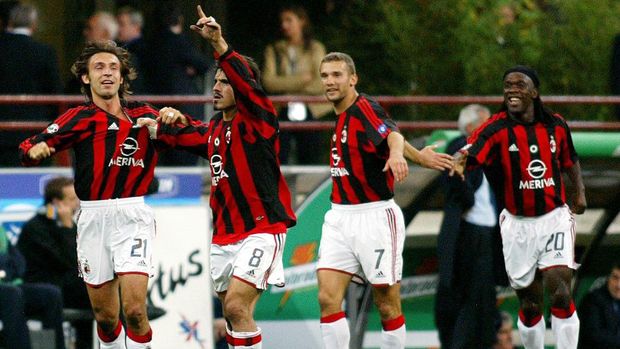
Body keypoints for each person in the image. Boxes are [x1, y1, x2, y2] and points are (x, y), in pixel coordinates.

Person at [139, 6, 296, 348]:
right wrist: (161, 119)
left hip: (261, 229)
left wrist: (220, 44)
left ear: (242, 86)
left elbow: (247, 86)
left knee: (238, 305)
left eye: (225, 81)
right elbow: (178, 134)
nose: (216, 86)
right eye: (216, 81)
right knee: (233, 313)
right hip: (224, 234)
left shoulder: (260, 122)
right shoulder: (212, 129)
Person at [18, 40, 163, 349]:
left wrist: (172, 125)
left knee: (136, 311)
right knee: (106, 316)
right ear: (86, 78)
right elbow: (29, 146)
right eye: (99, 67)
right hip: (93, 218)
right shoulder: (78, 118)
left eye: (114, 68)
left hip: (133, 215)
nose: (107, 73)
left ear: (123, 77)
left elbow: (190, 134)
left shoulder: (146, 115)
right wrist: (36, 150)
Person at [315, 51, 452, 349]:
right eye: (325, 75)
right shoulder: (341, 116)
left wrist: (397, 154)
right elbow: (388, 138)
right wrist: (419, 157)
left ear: (353, 79)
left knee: (386, 302)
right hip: (339, 216)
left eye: (337, 75)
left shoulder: (364, 108)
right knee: (327, 297)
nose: (330, 81)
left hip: (375, 216)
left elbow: (390, 134)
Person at [451, 65, 587, 349]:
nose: (512, 89)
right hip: (517, 224)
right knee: (530, 304)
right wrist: (459, 160)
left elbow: (570, 160)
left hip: (555, 218)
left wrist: (580, 194)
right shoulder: (495, 128)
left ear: (534, 92)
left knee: (560, 291)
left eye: (519, 84)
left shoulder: (556, 125)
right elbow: (470, 150)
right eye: (507, 85)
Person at [435, 104, 499, 349]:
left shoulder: (488, 151)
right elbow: (453, 179)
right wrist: (467, 192)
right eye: (486, 123)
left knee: (484, 303)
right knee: (468, 302)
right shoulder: (460, 146)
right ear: (472, 127)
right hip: (468, 232)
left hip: (486, 232)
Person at [17, 176, 93, 348]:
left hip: (65, 285)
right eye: (72, 199)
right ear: (57, 203)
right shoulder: (36, 228)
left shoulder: (69, 225)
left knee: (96, 286)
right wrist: (67, 228)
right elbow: (71, 261)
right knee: (88, 287)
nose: (77, 204)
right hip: (42, 286)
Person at [262, 5, 331, 164]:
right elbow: (268, 82)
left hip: (311, 108)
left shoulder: (315, 48)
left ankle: (310, 188)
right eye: (282, 21)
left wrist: (286, 85)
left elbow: (322, 83)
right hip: (282, 108)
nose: (284, 25)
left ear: (302, 22)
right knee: (279, 155)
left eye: (289, 20)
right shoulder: (274, 49)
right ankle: (279, 188)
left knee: (311, 155)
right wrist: (302, 80)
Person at [145, 2, 211, 166]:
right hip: (183, 109)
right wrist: (189, 69)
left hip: (156, 108)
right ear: (179, 20)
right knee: (185, 159)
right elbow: (204, 64)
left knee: (164, 160)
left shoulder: (150, 43)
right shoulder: (178, 41)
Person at [0, 3, 63, 166]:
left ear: (9, 23)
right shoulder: (45, 52)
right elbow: (55, 93)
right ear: (34, 25)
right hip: (36, 134)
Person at [0, 226, 66, 349]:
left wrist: (6, 270)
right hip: (8, 290)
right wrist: (6, 268)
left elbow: (18, 262)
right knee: (13, 295)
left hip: (9, 284)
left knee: (51, 294)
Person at [577, 261, 620, 348]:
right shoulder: (592, 300)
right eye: (615, 278)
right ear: (608, 278)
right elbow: (593, 336)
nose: (618, 285)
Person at [116, 6, 147, 94]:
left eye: (121, 24)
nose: (118, 29)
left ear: (136, 26)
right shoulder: (121, 47)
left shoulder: (143, 51)